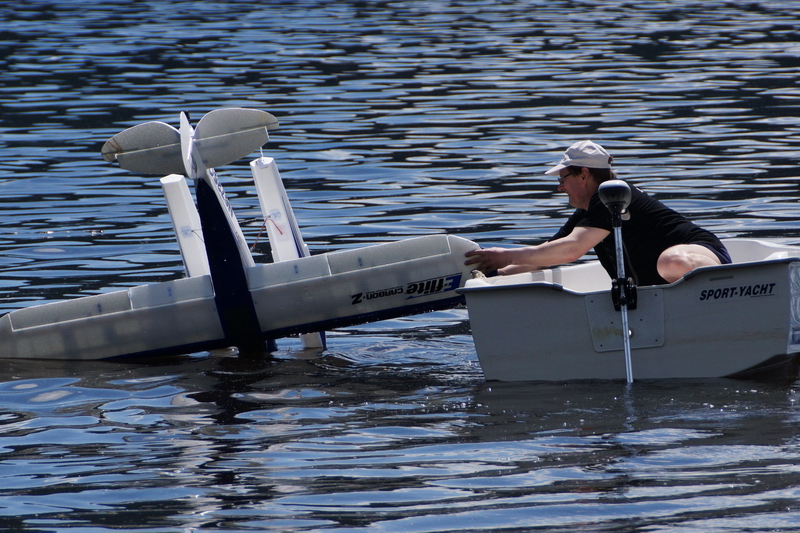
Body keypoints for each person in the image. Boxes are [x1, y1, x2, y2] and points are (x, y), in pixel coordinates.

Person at [464, 140, 731, 285]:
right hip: (667, 287)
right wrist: (489, 276)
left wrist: (503, 255)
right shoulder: (587, 215)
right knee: (669, 264)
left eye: (562, 178)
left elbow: (571, 250)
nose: (559, 187)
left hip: (702, 255)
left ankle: (726, 291)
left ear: (583, 174)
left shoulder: (613, 197)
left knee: (672, 261)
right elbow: (545, 256)